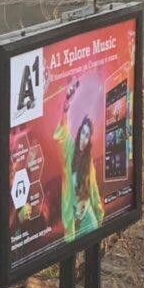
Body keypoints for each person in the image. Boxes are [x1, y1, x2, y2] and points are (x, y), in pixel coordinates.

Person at [54, 80, 104, 242]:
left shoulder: (88, 162)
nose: (83, 138)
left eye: (87, 135)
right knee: (70, 246)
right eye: (82, 133)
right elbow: (63, 130)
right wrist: (67, 100)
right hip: (72, 215)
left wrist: (98, 212)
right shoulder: (70, 148)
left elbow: (94, 189)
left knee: (94, 240)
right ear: (79, 134)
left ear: (89, 139)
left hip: (87, 214)